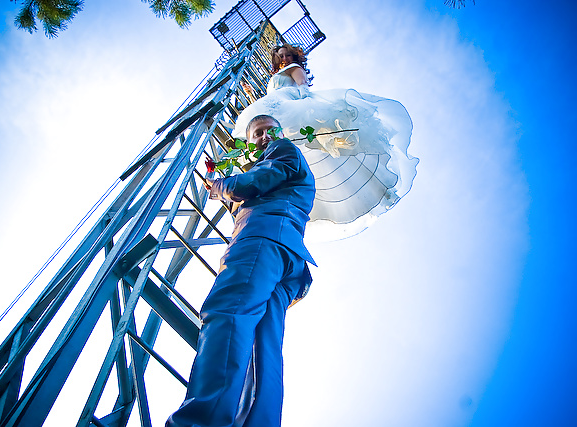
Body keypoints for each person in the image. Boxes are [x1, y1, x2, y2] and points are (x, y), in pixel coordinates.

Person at [166, 114, 316, 427]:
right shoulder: (283, 172)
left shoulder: (284, 150)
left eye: (266, 131)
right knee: (264, 347)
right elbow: (247, 196)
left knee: (227, 314)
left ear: (279, 132)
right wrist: (221, 183)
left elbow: (249, 184)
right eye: (257, 135)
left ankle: (198, 422)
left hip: (262, 241)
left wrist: (221, 185)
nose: (263, 138)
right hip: (287, 258)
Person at [233, 43, 419, 235]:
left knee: (287, 137)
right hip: (274, 102)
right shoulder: (275, 78)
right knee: (265, 132)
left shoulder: (294, 69)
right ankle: (264, 176)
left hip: (289, 101)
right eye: (281, 56)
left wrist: (307, 105)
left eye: (288, 55)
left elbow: (302, 86)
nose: (285, 59)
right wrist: (251, 94)